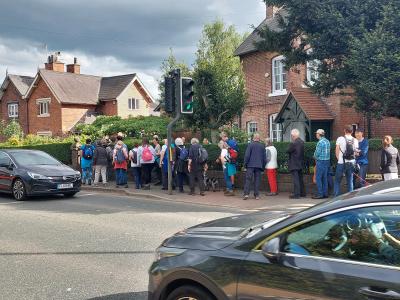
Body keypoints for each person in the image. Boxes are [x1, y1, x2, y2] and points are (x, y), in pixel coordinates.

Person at [334, 125, 359, 196]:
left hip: (341, 162)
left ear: (344, 130)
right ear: (352, 131)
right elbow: (356, 153)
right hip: (351, 162)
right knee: (350, 181)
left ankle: (336, 198)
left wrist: (339, 159)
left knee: (337, 181)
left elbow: (337, 150)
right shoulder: (355, 140)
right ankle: (350, 198)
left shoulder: (340, 138)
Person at [243, 133, 267, 200]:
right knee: (257, 180)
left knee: (248, 179)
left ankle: (246, 194)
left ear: (253, 138)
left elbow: (247, 156)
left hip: (250, 165)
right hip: (259, 165)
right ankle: (256, 195)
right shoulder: (262, 146)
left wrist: (245, 165)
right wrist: (263, 167)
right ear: (259, 138)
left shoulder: (250, 145)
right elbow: (264, 158)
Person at [287, 129, 306, 199]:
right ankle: (302, 193)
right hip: (300, 163)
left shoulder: (293, 143)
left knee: (296, 180)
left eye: (292, 135)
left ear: (293, 135)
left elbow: (288, 150)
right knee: (300, 179)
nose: (291, 136)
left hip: (294, 163)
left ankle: (296, 194)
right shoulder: (302, 142)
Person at [313, 129, 331, 199]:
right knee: (325, 178)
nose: (316, 135)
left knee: (318, 178)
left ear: (319, 134)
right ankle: (325, 193)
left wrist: (314, 156)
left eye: (316, 134)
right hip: (327, 161)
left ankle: (320, 194)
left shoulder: (320, 142)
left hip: (320, 161)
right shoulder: (327, 141)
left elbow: (317, 154)